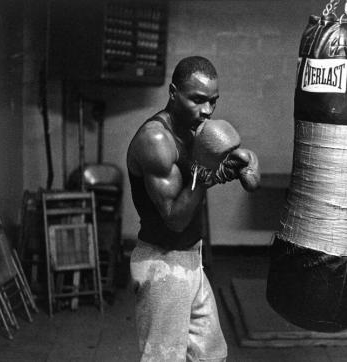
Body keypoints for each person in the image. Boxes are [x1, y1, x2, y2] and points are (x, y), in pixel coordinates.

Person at [127, 56, 257, 361]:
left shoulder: (196, 131)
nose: (207, 111)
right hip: (163, 262)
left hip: (190, 259)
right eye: (197, 100)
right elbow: (174, 219)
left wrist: (246, 163)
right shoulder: (156, 140)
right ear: (173, 93)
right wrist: (206, 172)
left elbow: (253, 179)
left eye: (213, 101)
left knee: (210, 354)